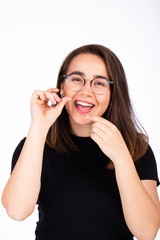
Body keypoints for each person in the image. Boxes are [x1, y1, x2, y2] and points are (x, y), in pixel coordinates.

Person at [1, 44, 160, 240]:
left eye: (99, 83)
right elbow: (17, 211)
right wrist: (39, 127)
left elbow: (147, 232)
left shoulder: (137, 150)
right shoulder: (36, 143)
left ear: (113, 93)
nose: (86, 91)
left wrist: (121, 158)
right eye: (77, 79)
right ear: (61, 87)